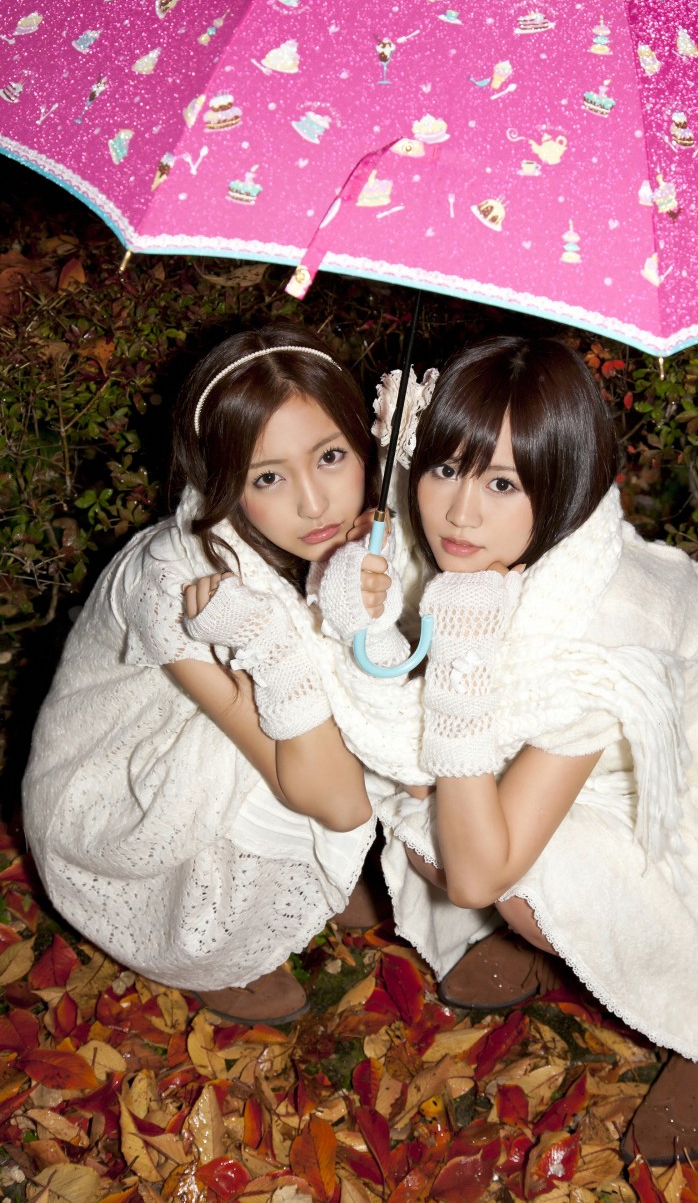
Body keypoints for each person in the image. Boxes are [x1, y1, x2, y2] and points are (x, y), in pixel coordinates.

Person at [376, 335, 698, 1164]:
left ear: (564, 481)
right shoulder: (515, 549)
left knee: (488, 866)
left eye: (502, 483)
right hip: (600, 778)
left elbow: (478, 874)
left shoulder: (601, 623)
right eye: (443, 469)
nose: (459, 514)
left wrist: (459, 662)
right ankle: (570, 952)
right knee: (427, 811)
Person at [23, 324, 419, 1023]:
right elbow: (337, 801)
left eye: (330, 456)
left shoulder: (374, 534)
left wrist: (363, 617)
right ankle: (204, 943)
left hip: (262, 743)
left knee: (359, 685)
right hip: (127, 789)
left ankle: (318, 877)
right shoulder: (178, 582)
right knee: (294, 739)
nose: (314, 503)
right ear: (222, 482)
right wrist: (272, 645)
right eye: (267, 477)